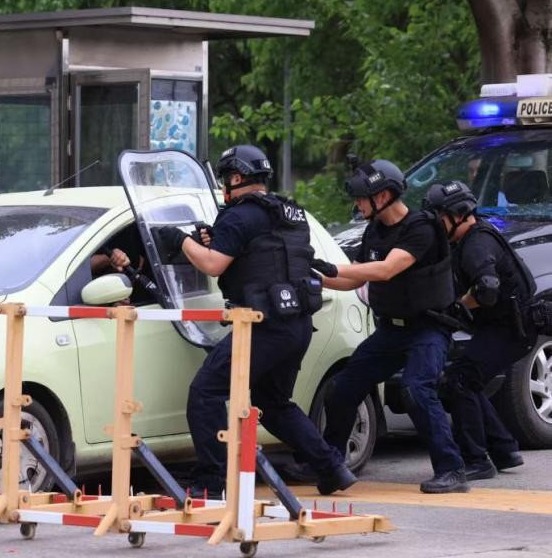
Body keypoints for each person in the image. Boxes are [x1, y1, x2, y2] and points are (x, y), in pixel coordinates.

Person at [156, 144, 355, 498]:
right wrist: (214, 239)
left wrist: (181, 240)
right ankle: (332, 468)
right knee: (274, 403)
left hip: (262, 326)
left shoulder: (239, 216)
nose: (223, 187)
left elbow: (214, 265)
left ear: (236, 178)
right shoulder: (290, 213)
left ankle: (211, 481)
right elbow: (264, 256)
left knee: (205, 392)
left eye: (225, 179)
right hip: (297, 324)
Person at [312, 159, 469, 494]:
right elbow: (353, 280)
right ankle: (331, 466)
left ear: (383, 196)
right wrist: (314, 278)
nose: (358, 203)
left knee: (416, 389)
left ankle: (452, 470)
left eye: (362, 197)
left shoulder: (421, 227)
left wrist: (334, 269)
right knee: (342, 388)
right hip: (391, 331)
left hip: (428, 328)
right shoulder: (375, 230)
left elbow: (385, 270)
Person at [423, 181, 532, 479]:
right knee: (465, 379)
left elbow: (487, 288)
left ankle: (476, 460)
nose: (436, 223)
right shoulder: (469, 237)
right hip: (501, 326)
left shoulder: (476, 244)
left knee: (458, 381)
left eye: (439, 216)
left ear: (458, 214)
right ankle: (504, 449)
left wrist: (459, 306)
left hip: (511, 329)